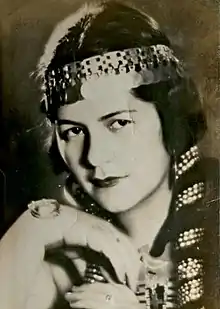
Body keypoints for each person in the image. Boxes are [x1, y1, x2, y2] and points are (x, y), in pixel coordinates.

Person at [0, 1, 217, 309]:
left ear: (170, 116)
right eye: (73, 131)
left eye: (118, 122)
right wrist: (36, 226)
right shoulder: (61, 266)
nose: (94, 156)